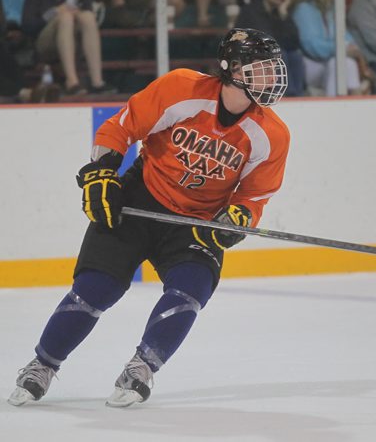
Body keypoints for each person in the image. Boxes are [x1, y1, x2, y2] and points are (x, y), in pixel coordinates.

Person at [8, 27, 290, 407]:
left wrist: (237, 218)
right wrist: (102, 172)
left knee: (190, 292)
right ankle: (43, 364)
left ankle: (142, 367)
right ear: (232, 68)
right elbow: (119, 128)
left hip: (195, 223)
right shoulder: (182, 89)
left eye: (274, 68)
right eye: (263, 68)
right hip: (141, 199)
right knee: (95, 289)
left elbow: (255, 195)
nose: (273, 76)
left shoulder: (272, 133)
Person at [22, 0, 115, 94]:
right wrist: (55, 12)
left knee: (88, 17)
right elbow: (28, 26)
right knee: (65, 18)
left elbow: (89, 9)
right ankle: (72, 81)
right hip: (45, 42)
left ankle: (97, 82)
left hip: (74, 40)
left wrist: (76, 12)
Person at [291, 0, 373, 96]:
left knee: (346, 63)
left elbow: (346, 37)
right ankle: (339, 103)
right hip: (311, 64)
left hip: (330, 61)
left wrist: (351, 48)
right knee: (337, 64)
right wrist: (341, 49)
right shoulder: (303, 10)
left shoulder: (330, 11)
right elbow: (312, 46)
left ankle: (352, 100)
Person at [236, 0, 305, 96]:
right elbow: (266, 41)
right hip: (251, 56)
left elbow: (294, 42)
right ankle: (280, 95)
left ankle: (296, 96)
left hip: (270, 53)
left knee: (295, 57)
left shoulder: (279, 11)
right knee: (280, 55)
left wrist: (284, 15)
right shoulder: (251, 10)